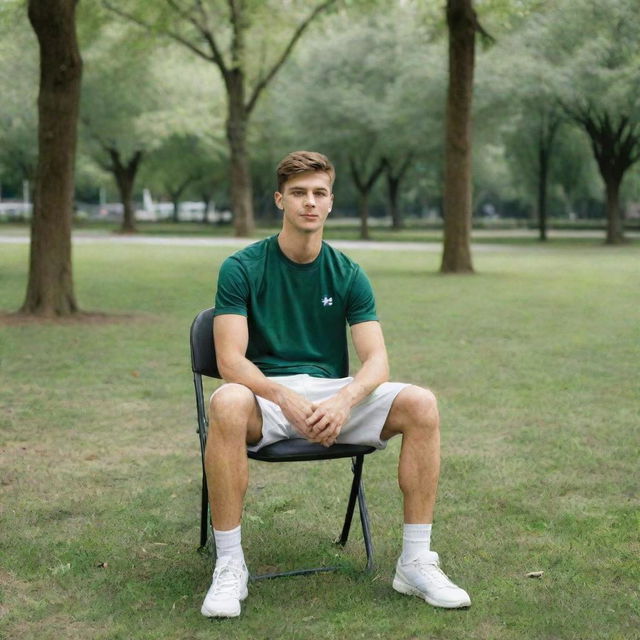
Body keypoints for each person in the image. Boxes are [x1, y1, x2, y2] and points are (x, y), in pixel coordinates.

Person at [201, 150, 471, 618]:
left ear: (330, 203)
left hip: (331, 397)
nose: (310, 202)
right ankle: (229, 566)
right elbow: (230, 361)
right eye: (299, 193)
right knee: (225, 400)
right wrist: (283, 397)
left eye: (319, 193)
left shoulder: (347, 273)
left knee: (421, 403)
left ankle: (415, 562)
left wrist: (345, 400)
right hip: (264, 397)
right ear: (280, 199)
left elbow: (377, 361)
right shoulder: (241, 267)